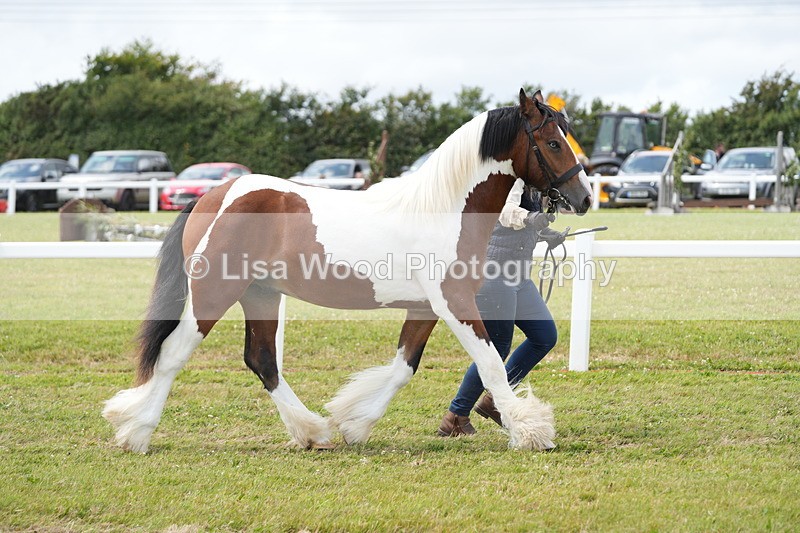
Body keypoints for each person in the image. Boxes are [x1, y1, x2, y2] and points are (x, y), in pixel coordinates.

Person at [438, 178, 567, 437]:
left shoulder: (538, 185)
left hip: (519, 275)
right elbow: (504, 213)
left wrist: (544, 234)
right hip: (495, 273)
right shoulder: (513, 179)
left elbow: (521, 229)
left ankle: (494, 400)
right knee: (496, 347)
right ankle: (455, 416)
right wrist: (531, 219)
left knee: (544, 337)